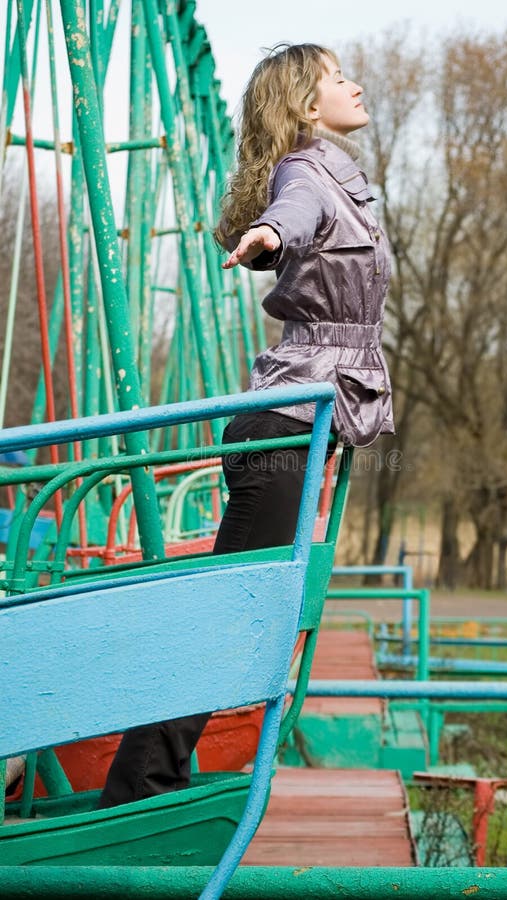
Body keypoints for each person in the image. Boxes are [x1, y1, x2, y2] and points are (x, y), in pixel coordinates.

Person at [98, 42, 393, 809]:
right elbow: (290, 215)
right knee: (225, 611)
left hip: (302, 421)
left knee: (239, 609)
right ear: (302, 106)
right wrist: (268, 234)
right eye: (336, 79)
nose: (353, 85)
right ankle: (141, 785)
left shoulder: (338, 177)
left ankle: (154, 775)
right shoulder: (304, 177)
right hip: (284, 426)